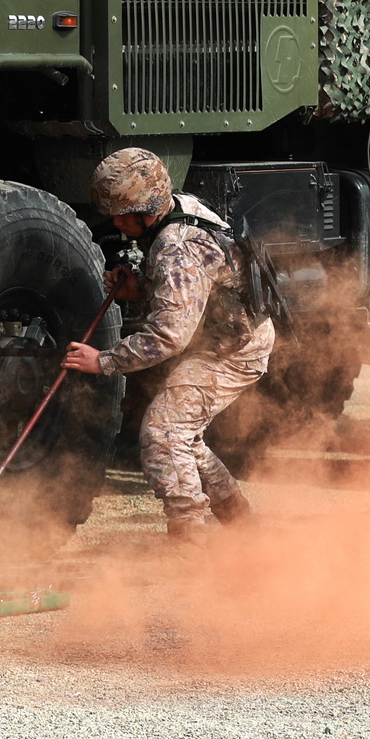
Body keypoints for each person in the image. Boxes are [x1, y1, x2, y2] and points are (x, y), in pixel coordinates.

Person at [61, 147, 276, 548]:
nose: (116, 221)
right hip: (222, 339)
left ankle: (190, 541)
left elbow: (169, 335)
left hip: (233, 352)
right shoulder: (180, 208)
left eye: (122, 212)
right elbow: (191, 294)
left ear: (148, 208)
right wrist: (140, 289)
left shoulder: (178, 247)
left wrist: (104, 360)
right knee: (185, 435)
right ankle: (238, 518)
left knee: (164, 432)